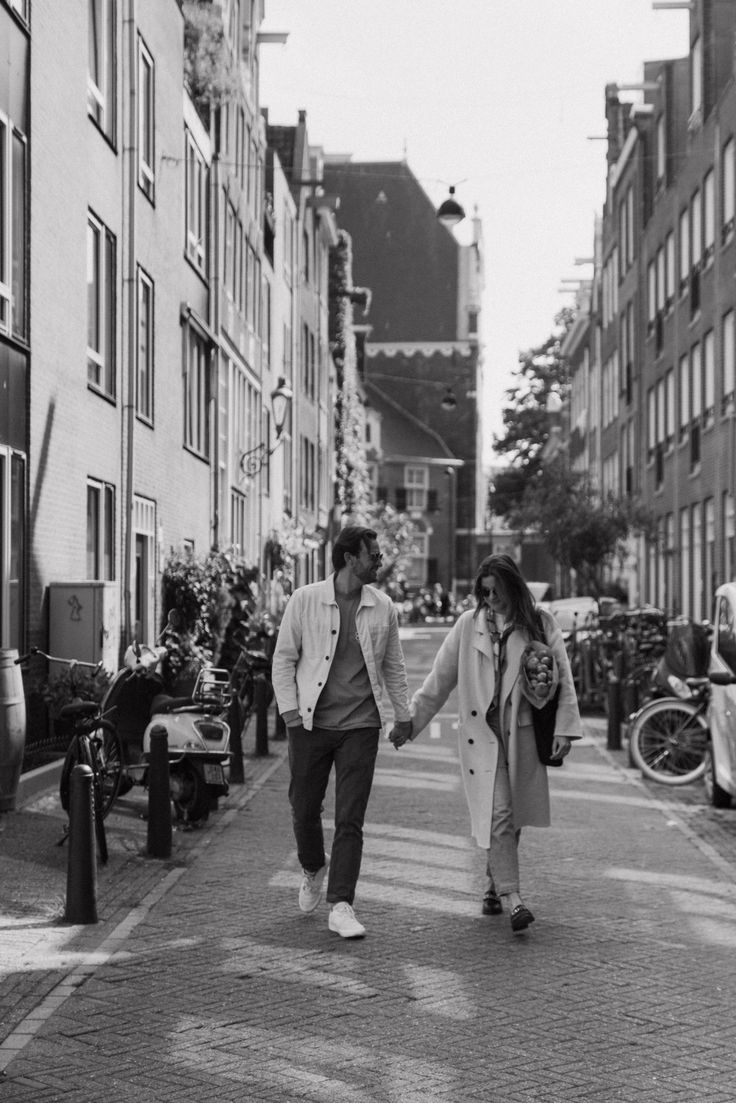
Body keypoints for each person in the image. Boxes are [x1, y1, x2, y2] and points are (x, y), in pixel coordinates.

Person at [390, 553, 582, 934]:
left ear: (513, 586)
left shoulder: (539, 624)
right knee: (499, 812)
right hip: (482, 737)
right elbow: (439, 680)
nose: (491, 599)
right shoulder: (468, 626)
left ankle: (493, 884)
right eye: (485, 592)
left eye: (497, 591)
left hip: (521, 734)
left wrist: (565, 728)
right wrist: (410, 724)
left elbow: (563, 678)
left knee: (512, 814)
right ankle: (513, 898)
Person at [272, 525, 413, 940]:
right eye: (373, 555)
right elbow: (283, 659)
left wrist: (402, 716)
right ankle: (314, 866)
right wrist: (290, 713)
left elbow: (394, 666)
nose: (380, 561)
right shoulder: (305, 600)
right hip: (311, 723)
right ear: (350, 558)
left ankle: (342, 905)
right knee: (303, 807)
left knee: (351, 817)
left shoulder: (383, 606)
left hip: (361, 726)